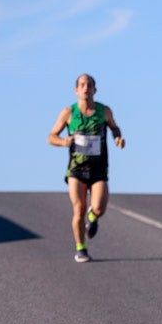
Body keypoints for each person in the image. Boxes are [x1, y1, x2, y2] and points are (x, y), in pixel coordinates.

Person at [47, 73, 125, 263]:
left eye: (89, 85)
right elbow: (51, 136)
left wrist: (117, 137)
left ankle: (93, 216)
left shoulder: (104, 111)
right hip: (76, 169)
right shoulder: (68, 112)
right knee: (78, 209)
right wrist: (64, 142)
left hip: (98, 168)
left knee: (99, 208)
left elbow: (114, 127)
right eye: (82, 85)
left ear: (95, 90)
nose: (86, 87)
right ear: (76, 90)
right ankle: (81, 248)